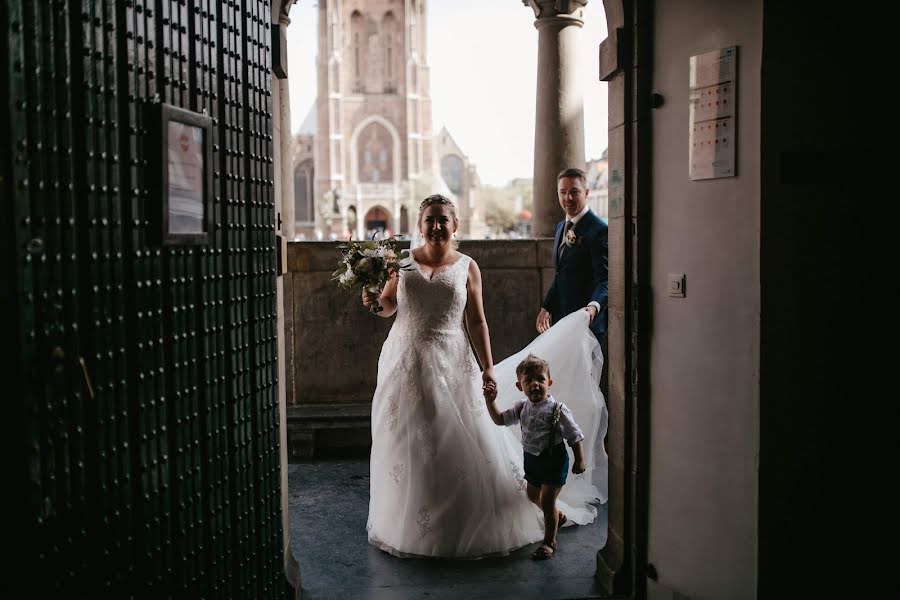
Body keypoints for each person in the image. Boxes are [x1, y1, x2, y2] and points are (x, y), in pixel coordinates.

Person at [361, 194, 606, 559]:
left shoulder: (467, 267)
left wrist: (488, 366)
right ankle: (409, 518)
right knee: (406, 437)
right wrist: (374, 303)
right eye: (430, 219)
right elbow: (390, 305)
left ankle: (458, 520)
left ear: (455, 225)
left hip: (451, 360)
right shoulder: (402, 264)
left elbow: (476, 321)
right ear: (420, 224)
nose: (437, 226)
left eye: (444, 219)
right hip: (403, 360)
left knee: (449, 435)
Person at [483, 353, 587, 560]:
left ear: (549, 382)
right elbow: (499, 420)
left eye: (540, 379)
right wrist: (490, 402)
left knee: (547, 503)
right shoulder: (522, 407)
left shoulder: (558, 409)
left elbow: (574, 435)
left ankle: (549, 542)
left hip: (553, 462)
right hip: (532, 461)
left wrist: (580, 458)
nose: (535, 384)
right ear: (519, 386)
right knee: (532, 496)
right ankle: (557, 516)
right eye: (528, 381)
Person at [536, 168, 608, 343]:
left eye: (574, 192)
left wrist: (593, 308)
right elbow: (562, 274)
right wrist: (546, 306)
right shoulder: (561, 226)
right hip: (561, 320)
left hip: (585, 324)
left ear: (586, 193)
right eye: (563, 192)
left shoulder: (599, 230)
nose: (568, 198)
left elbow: (605, 279)